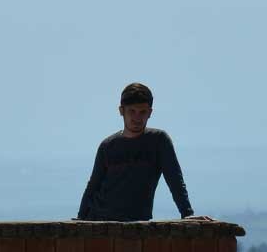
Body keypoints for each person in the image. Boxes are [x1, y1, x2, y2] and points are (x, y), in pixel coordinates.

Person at [76, 82, 208, 221]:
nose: (137, 117)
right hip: (98, 220)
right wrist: (80, 220)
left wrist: (187, 214)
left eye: (142, 112)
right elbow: (93, 186)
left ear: (150, 112)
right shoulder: (107, 146)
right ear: (122, 111)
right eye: (132, 111)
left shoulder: (159, 141)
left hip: (135, 223)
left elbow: (175, 179)